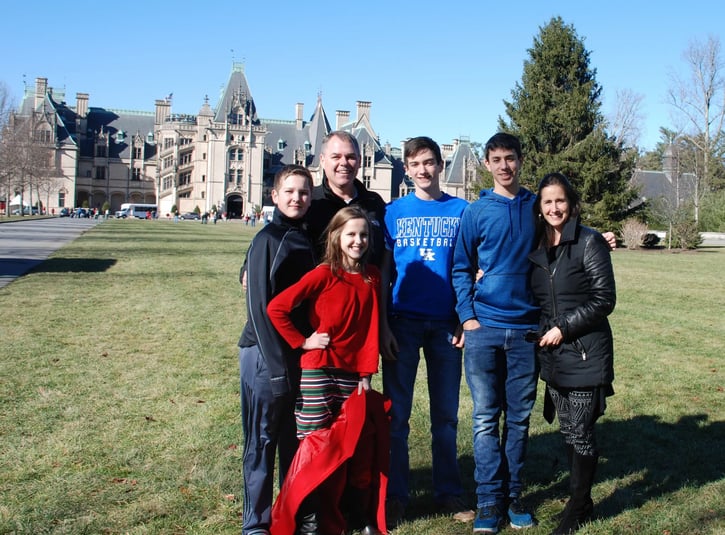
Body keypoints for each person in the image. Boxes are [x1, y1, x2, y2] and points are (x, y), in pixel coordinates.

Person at [267, 206, 387, 535]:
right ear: (336, 237)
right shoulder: (323, 274)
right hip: (319, 371)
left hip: (353, 375)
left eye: (363, 235)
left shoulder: (372, 276)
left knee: (355, 446)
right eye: (350, 234)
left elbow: (370, 328)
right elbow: (277, 308)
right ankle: (309, 519)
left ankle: (355, 515)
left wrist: (366, 374)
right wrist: (302, 341)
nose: (358, 241)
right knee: (315, 445)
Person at [379, 136, 473, 525]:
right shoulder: (392, 213)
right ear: (407, 167)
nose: (423, 170)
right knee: (396, 417)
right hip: (403, 322)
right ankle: (397, 495)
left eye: (430, 162)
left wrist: (463, 317)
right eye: (415, 163)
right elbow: (383, 272)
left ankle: (448, 491)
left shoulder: (462, 211)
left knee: (446, 417)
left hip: (446, 326)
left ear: (439, 164)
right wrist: (384, 323)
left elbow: (472, 269)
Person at [451, 132, 543, 534]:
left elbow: (565, 234)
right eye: (497, 159)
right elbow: (460, 266)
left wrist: (601, 238)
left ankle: (515, 496)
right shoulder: (476, 211)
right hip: (484, 329)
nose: (505, 166)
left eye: (511, 158)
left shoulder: (535, 206)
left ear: (521, 161)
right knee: (486, 418)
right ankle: (488, 501)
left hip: (526, 331)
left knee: (519, 420)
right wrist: (468, 317)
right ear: (486, 164)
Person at [528, 173, 616, 535]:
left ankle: (577, 507)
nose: (554, 208)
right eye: (547, 202)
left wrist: (564, 327)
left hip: (583, 350)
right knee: (568, 429)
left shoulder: (589, 241)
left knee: (580, 431)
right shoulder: (535, 244)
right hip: (551, 354)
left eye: (560, 201)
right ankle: (583, 499)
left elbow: (604, 298)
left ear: (571, 203)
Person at [237, 165, 317, 535]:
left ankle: (290, 513)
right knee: (263, 438)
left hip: (297, 354)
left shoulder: (303, 237)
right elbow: (258, 306)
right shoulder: (268, 238)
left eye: (303, 192)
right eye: (290, 191)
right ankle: (256, 522)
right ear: (274, 195)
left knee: (291, 438)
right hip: (266, 355)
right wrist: (275, 367)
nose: (297, 199)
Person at [308, 131, 387, 268]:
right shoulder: (310, 203)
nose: (344, 163)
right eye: (336, 157)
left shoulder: (374, 203)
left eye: (350, 157)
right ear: (322, 160)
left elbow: (386, 256)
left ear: (360, 161)